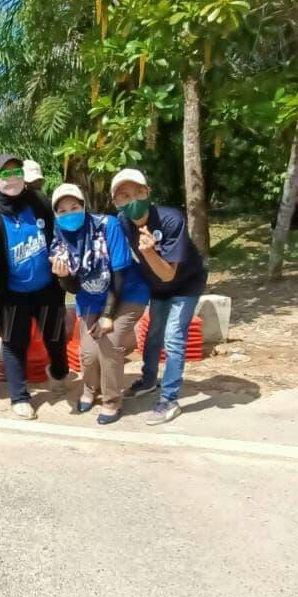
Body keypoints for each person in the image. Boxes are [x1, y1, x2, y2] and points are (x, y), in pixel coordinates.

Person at [0, 153, 70, 420]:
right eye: (6, 174)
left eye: (17, 171)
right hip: (12, 293)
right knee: (14, 344)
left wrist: (62, 258)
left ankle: (60, 373)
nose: (13, 178)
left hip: (47, 289)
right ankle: (19, 396)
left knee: (55, 338)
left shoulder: (38, 202)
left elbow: (57, 232)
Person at [111, 168, 208, 425]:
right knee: (153, 331)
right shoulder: (122, 222)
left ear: (147, 192)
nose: (131, 200)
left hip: (186, 283)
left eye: (137, 192)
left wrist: (150, 253)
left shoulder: (170, 220)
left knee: (174, 335)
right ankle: (148, 380)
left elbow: (168, 274)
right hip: (157, 284)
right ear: (116, 203)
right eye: (123, 195)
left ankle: (170, 399)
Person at [50, 183, 149, 425]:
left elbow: (120, 274)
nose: (69, 213)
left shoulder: (108, 225)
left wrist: (108, 316)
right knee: (88, 354)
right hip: (90, 299)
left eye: (74, 207)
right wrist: (63, 276)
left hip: (126, 293)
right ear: (56, 215)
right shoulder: (58, 237)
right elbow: (73, 288)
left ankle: (112, 401)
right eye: (62, 211)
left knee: (109, 342)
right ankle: (90, 389)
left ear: (84, 206)